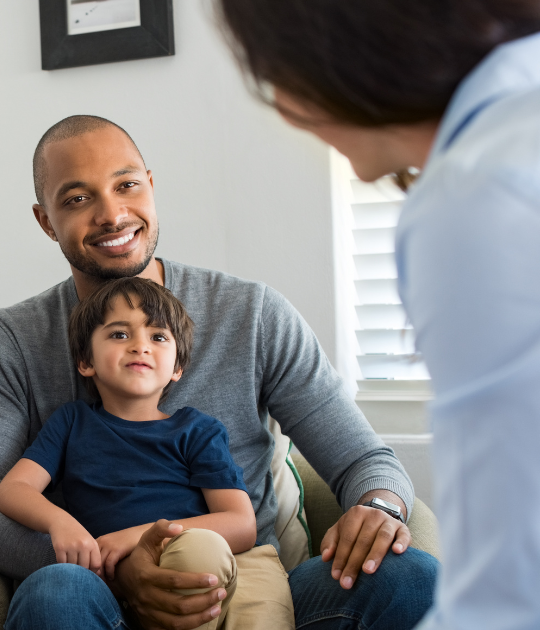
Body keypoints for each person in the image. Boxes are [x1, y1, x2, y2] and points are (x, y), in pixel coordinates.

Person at [0, 114, 439, 630]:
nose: (112, 214)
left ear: (150, 187)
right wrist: (114, 567)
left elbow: (363, 458)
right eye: (78, 199)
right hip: (92, 595)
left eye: (126, 185)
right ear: (47, 222)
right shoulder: (9, 342)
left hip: (240, 584)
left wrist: (382, 508)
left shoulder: (251, 314)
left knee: (411, 577)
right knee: (56, 593)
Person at [214, 2, 540, 628]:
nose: (283, 108)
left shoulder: (474, 197)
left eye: (274, 73)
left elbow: (509, 586)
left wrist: (382, 500)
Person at [0, 277, 293, 630]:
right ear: (86, 361)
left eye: (158, 337)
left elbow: (240, 523)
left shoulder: (197, 430)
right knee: (55, 586)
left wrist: (132, 536)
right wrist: (60, 523)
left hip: (188, 563)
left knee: (201, 550)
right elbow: (13, 490)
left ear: (177, 368)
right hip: (108, 593)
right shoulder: (71, 422)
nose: (140, 346)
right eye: (120, 334)